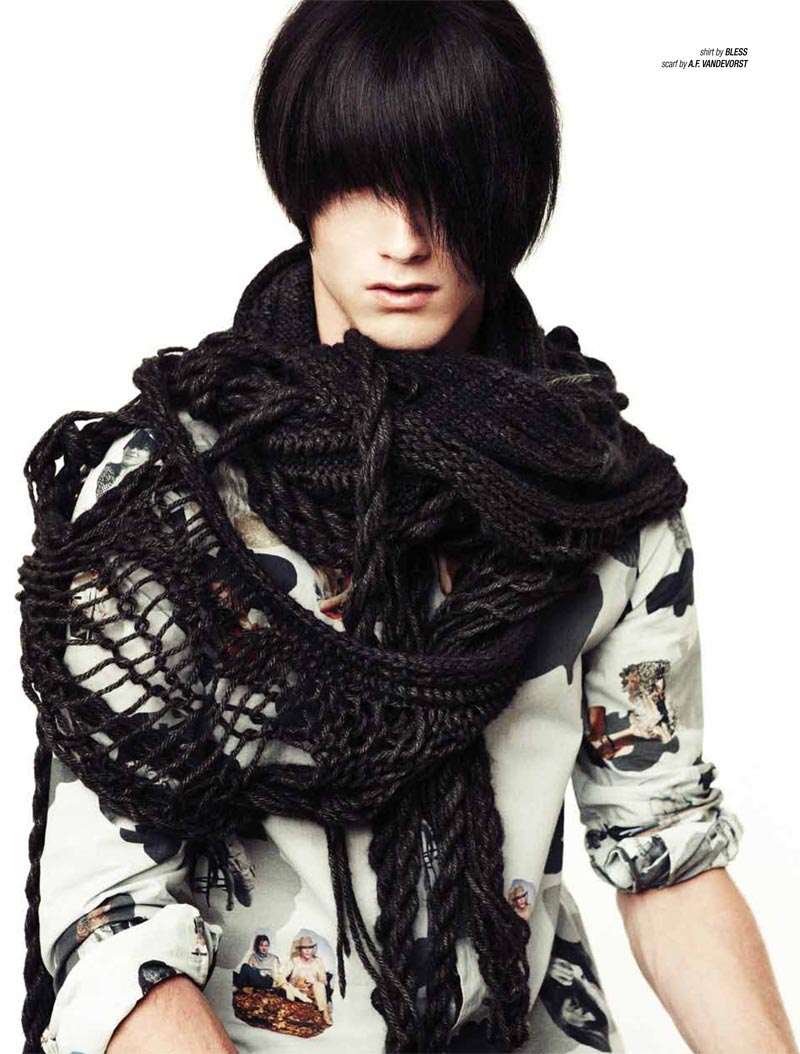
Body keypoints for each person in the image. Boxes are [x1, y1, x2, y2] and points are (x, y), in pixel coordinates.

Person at [21, 3, 796, 1054]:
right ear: (299, 182)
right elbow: (111, 908)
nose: (406, 241)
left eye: (448, 189)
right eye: (365, 185)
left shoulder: (599, 500)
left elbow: (664, 850)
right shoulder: (172, 492)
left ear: (510, 199)